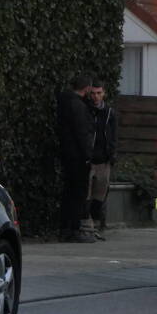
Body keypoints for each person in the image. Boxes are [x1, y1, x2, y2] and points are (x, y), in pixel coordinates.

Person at [56, 74, 96, 243]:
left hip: (68, 153)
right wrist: (88, 155)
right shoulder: (77, 106)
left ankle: (66, 228)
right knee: (78, 192)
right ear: (86, 88)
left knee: (69, 191)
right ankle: (73, 229)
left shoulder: (64, 102)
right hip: (78, 156)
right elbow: (82, 132)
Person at [82, 81, 117, 241]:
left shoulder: (109, 113)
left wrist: (112, 153)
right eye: (93, 93)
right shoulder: (86, 110)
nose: (96, 97)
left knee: (99, 195)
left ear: (104, 94)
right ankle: (87, 226)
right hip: (89, 159)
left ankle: (95, 225)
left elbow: (113, 134)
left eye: (99, 93)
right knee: (86, 195)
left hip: (103, 159)